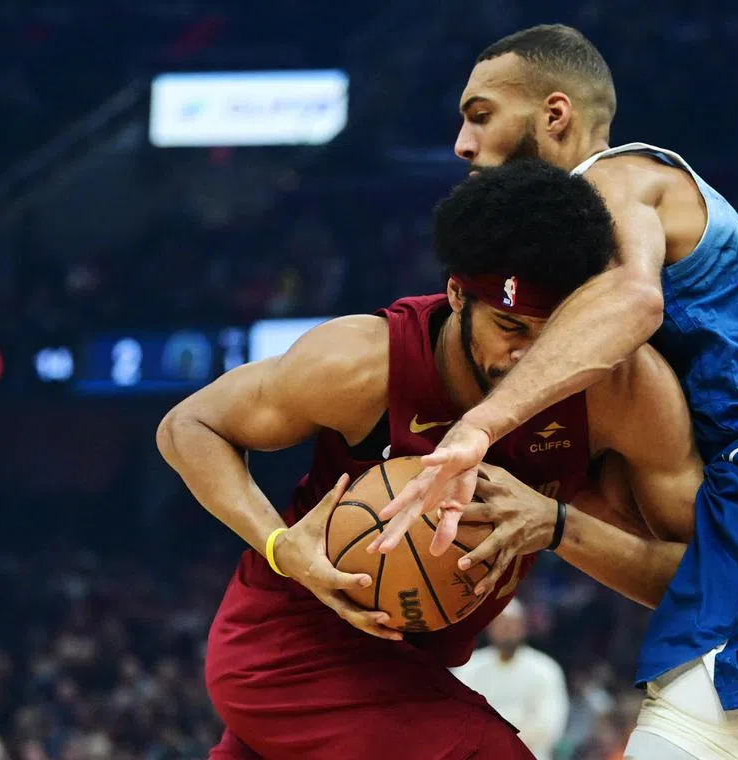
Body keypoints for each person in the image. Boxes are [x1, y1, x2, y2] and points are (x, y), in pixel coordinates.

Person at [374, 24, 738, 760]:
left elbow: (634, 297)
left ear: (554, 115)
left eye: (480, 113)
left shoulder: (613, 178)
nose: (461, 142)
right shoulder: (606, 351)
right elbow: (683, 571)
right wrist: (558, 522)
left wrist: (481, 422)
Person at [156, 160, 703, 759]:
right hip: (293, 648)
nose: (526, 354)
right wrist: (281, 546)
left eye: (550, 331)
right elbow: (189, 425)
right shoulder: (365, 364)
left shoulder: (619, 392)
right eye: (508, 325)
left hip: (408, 671)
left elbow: (694, 579)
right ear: (455, 293)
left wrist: (558, 527)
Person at [451, 600, 570, 760]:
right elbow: (457, 720)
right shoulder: (468, 668)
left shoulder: (545, 670)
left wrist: (496, 737)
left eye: (513, 624)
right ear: (490, 628)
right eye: (502, 624)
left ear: (523, 628)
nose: (507, 629)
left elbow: (550, 726)